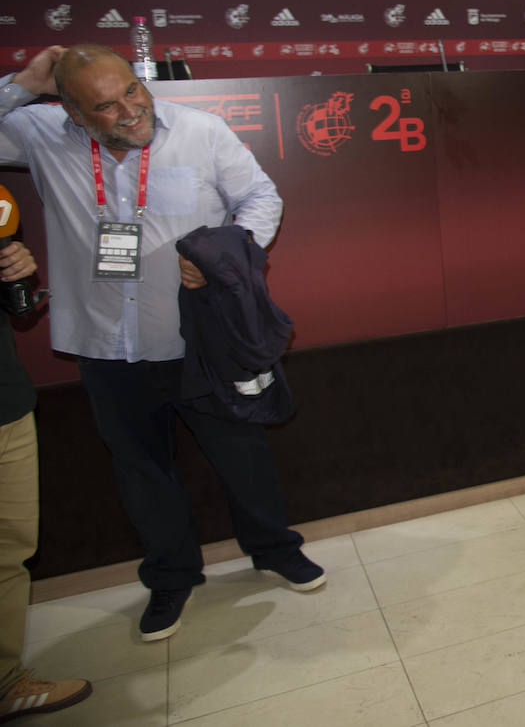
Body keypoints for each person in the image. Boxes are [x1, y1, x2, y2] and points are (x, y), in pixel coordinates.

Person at [0, 45, 324, 644]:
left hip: (196, 338)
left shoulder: (200, 131)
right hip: (104, 344)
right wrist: (21, 85)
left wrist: (223, 255)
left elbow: (261, 198)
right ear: (70, 111)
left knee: (242, 452)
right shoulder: (37, 133)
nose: (129, 110)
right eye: (105, 104)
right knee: (142, 468)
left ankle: (275, 548)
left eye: (132, 90)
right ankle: (172, 575)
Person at [0, 240, 92, 719]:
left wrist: (14, 274)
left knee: (10, 552)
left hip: (6, 403)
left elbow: (17, 312)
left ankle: (5, 682)